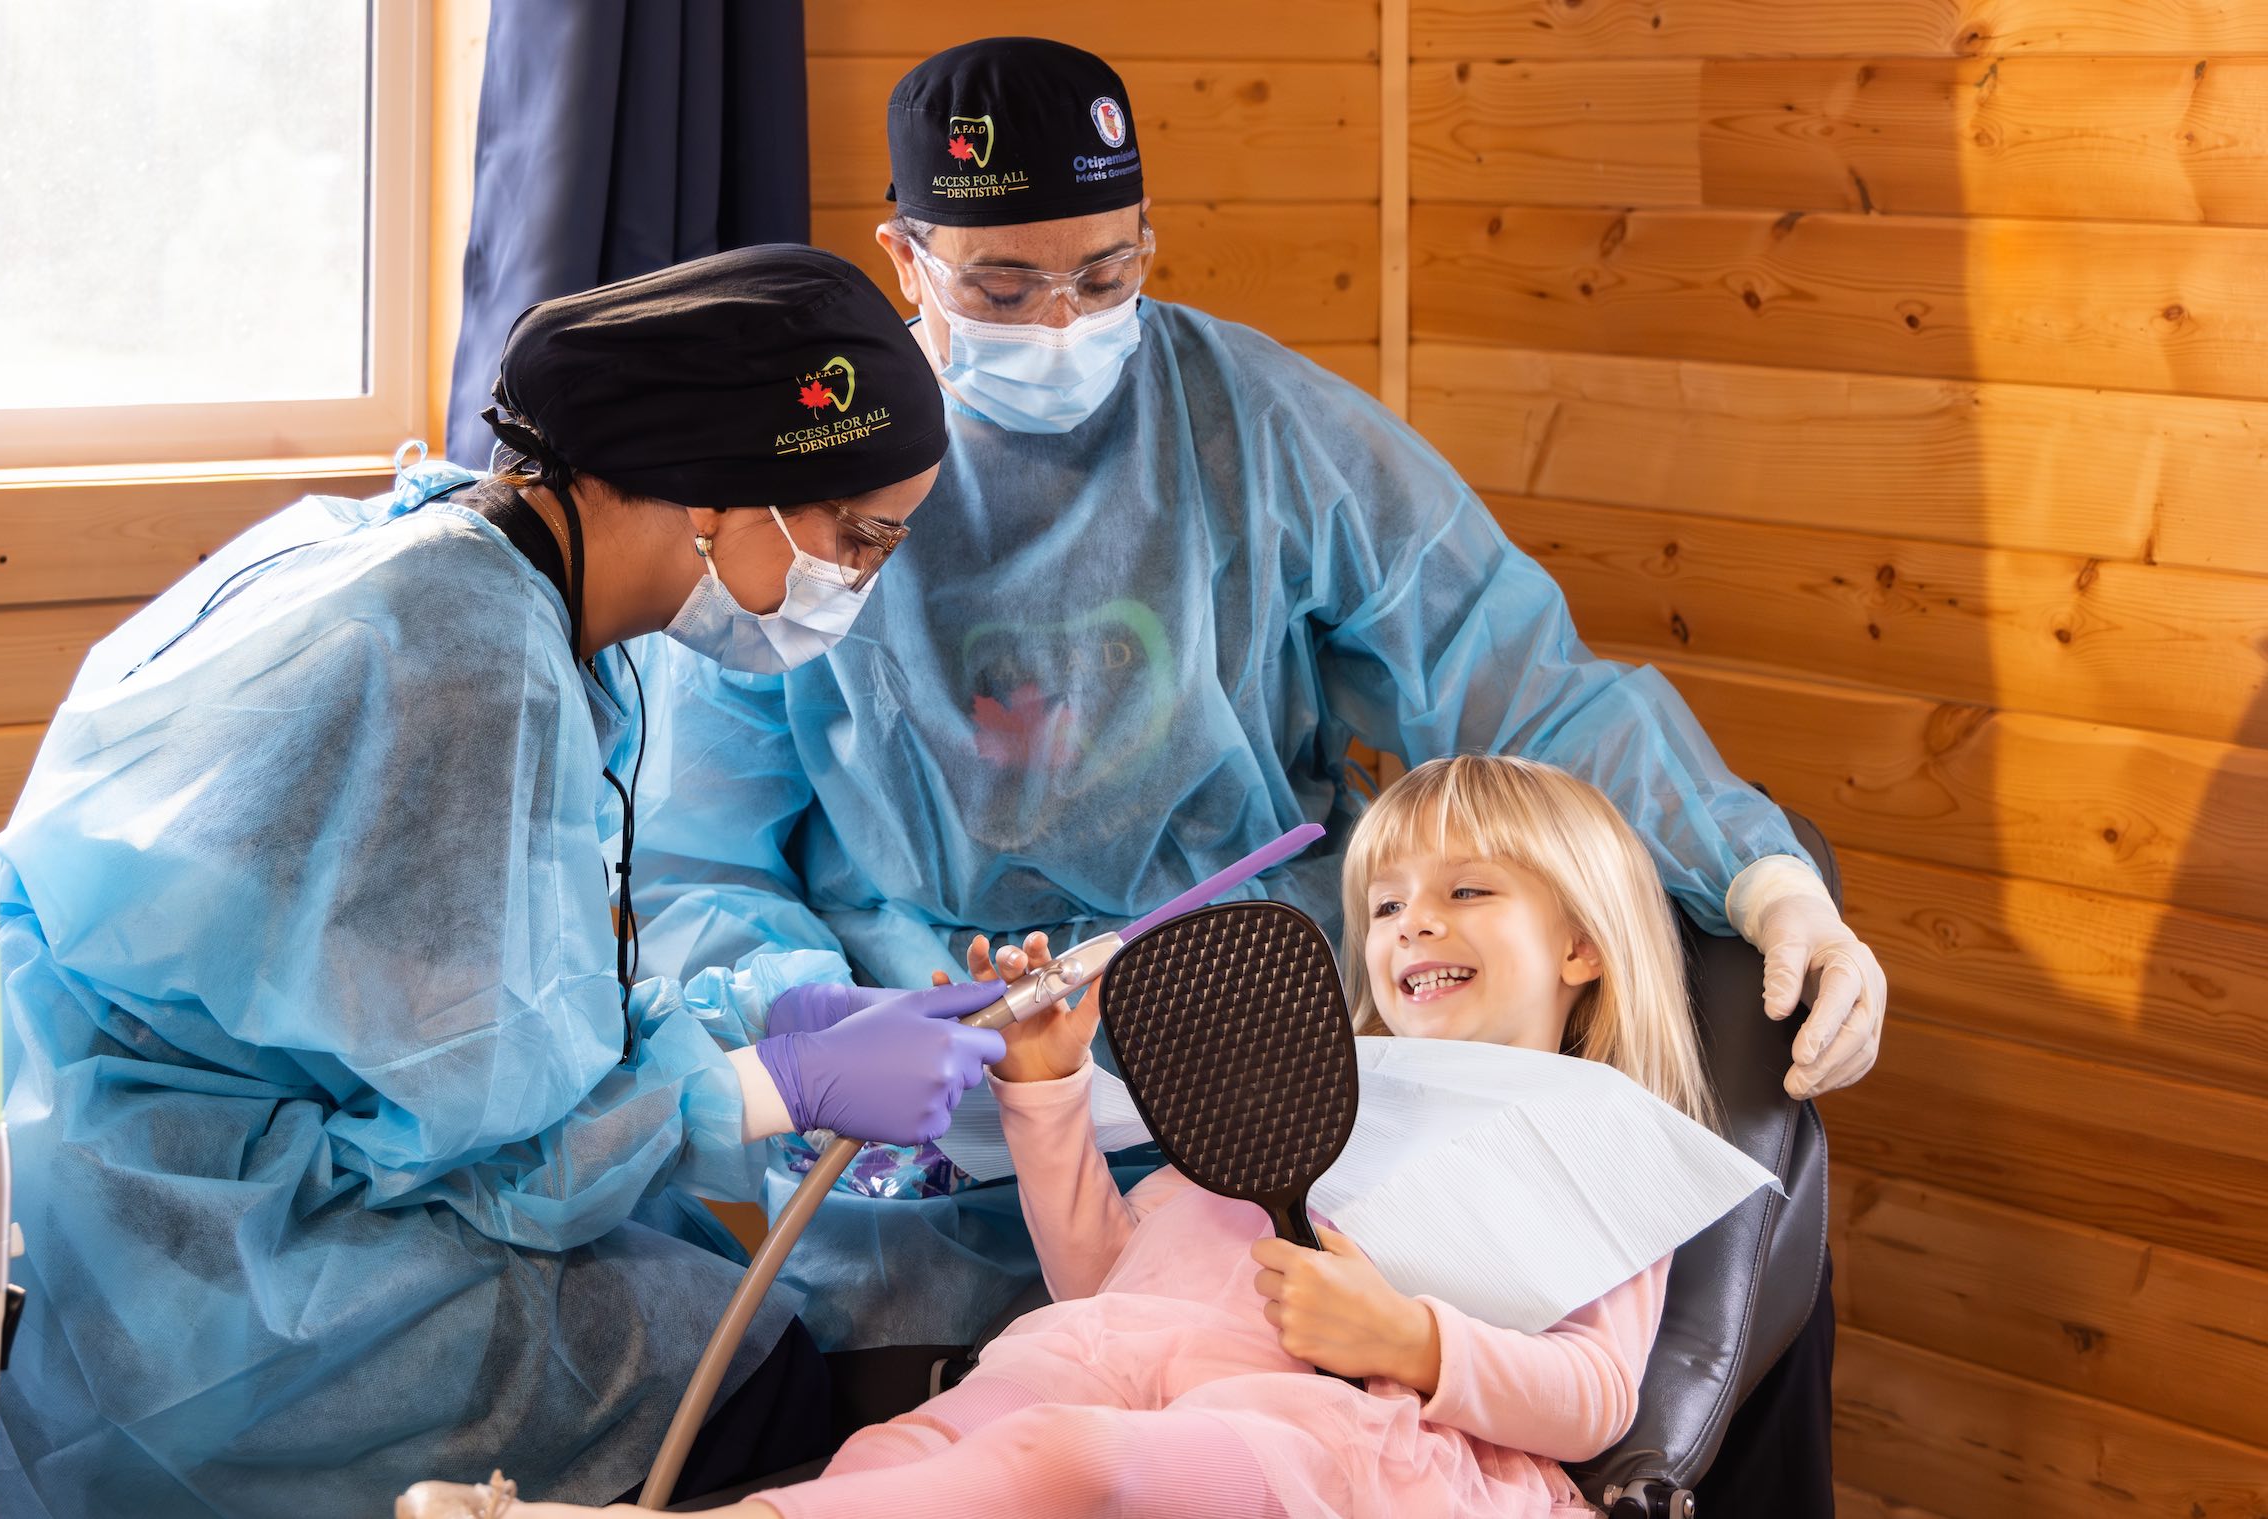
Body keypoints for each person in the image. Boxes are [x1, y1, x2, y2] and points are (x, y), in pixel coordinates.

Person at [628, 35, 1879, 1511]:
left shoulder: (1256, 428)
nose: (1063, 322)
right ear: (906, 258)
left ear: (1149, 243)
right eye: (1003, 289)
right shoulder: (815, 482)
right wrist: (821, 1028)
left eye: (1104, 277)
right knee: (942, 1447)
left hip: (1263, 1085)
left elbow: (1508, 665)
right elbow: (701, 855)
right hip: (936, 1143)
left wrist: (1757, 866)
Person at [0, 245, 1016, 1517]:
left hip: (42, 1163)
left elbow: (439, 1004)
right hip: (167, 1282)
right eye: (856, 539)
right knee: (745, 1370)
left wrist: (748, 1019)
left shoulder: (436, 551)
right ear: (720, 491)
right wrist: (767, 1083)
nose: (855, 584)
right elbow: (495, 1164)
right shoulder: (473, 666)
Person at [399, 753, 1738, 1519]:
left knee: (1075, 1466)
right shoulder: (1302, 1086)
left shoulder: (1593, 1137)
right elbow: (1107, 1281)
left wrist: (1414, 1339)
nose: (1409, 925)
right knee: (922, 1451)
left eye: (1467, 889)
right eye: (1382, 903)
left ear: (1580, 942)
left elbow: (1598, 1395)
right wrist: (1045, 1085)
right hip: (1118, 1365)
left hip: (1347, 1445)